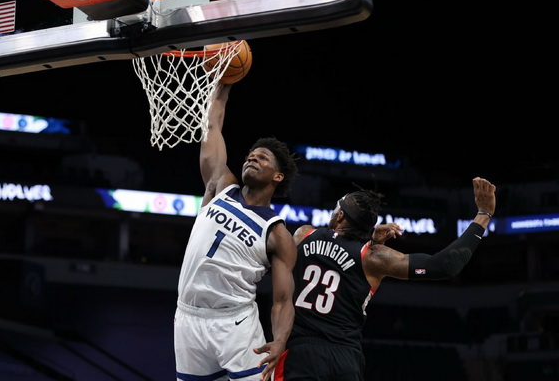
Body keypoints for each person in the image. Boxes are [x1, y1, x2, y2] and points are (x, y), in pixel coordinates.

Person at [274, 177, 497, 380]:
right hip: (345, 360)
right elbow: (446, 265)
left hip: (301, 352)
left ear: (340, 215)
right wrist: (483, 214)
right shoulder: (372, 258)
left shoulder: (304, 234)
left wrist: (368, 240)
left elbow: (325, 256)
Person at [174, 83, 299, 381]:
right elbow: (212, 126)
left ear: (277, 176)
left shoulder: (276, 232)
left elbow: (282, 300)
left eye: (262, 158)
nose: (252, 158)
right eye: (250, 155)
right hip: (187, 317)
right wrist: (223, 85)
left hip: (234, 322)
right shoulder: (220, 186)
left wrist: (280, 340)